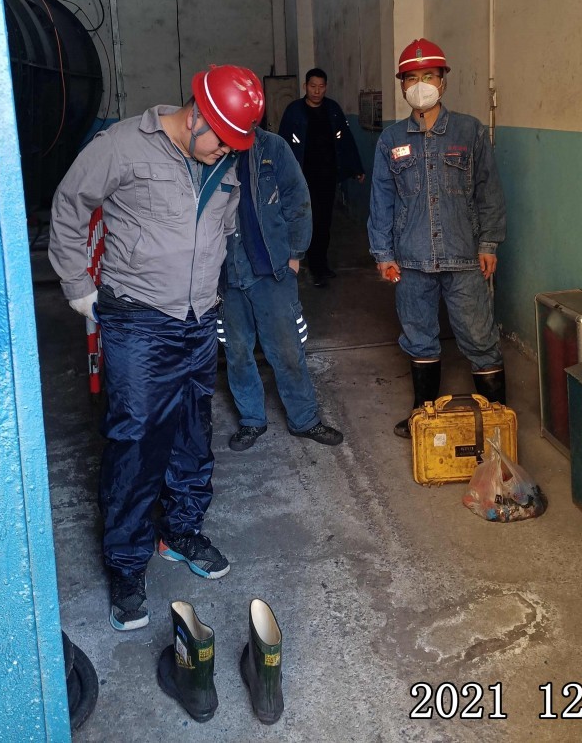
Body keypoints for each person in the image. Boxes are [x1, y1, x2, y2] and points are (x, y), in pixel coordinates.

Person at [49, 64, 265, 631]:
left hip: (199, 319)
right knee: (136, 442)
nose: (226, 151)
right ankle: (126, 564)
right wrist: (77, 284)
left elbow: (224, 229)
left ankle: (181, 532)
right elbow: (69, 205)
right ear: (197, 116)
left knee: (193, 432)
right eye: (222, 139)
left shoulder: (223, 160)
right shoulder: (122, 145)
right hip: (140, 322)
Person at [367, 39, 507, 437]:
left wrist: (489, 244)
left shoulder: (470, 130)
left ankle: (498, 421)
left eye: (428, 76)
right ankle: (423, 417)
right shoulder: (391, 140)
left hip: (464, 257)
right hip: (411, 260)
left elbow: (488, 191)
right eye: (411, 78)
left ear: (443, 81)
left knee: (480, 338)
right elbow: (381, 200)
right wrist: (383, 254)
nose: (420, 85)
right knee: (418, 338)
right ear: (402, 87)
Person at [218, 127, 343, 451]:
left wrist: (295, 255)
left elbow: (297, 199)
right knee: (237, 351)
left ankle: (305, 419)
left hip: (271, 270)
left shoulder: (272, 148)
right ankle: (251, 420)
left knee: (287, 348)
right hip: (227, 271)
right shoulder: (209, 148)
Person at [278, 68, 365, 286]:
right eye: (313, 86)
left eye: (321, 87)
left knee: (324, 221)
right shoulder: (294, 111)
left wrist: (356, 168)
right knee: (311, 219)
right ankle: (314, 264)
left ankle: (321, 263)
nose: (317, 91)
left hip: (327, 176)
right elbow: (282, 144)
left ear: (326, 87)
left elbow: (346, 140)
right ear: (305, 86)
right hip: (302, 178)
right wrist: (280, 173)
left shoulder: (332, 110)